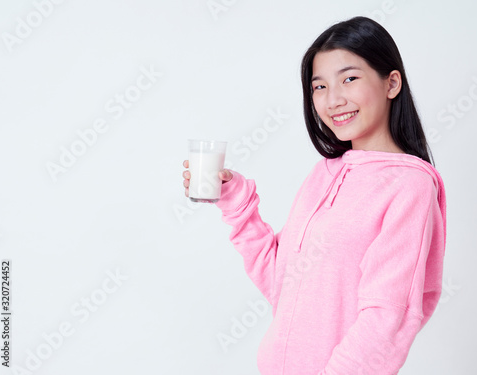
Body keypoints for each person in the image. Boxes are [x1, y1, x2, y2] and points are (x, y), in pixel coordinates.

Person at [182, 16, 446, 375]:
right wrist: (235, 201)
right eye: (319, 87)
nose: (333, 100)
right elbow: (282, 283)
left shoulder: (410, 185)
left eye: (349, 79)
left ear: (391, 83)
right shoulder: (325, 173)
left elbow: (387, 318)